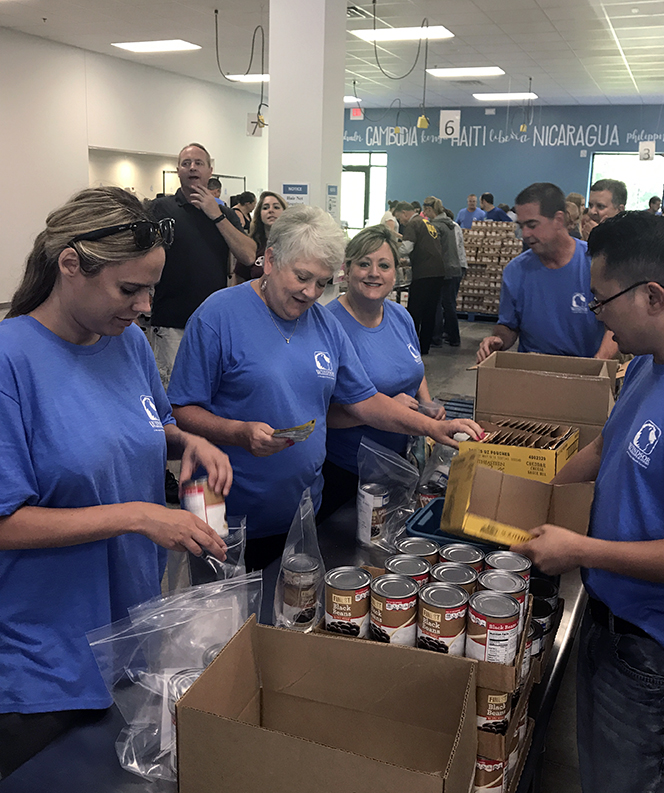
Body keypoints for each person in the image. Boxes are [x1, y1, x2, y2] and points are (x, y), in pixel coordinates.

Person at [0, 187, 231, 778]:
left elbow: (149, 420)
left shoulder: (124, 342)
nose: (146, 306)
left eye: (152, 287)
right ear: (70, 266)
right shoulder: (11, 362)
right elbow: (6, 523)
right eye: (130, 289)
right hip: (46, 658)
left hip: (132, 628)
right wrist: (139, 514)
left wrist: (187, 440)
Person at [512, 212, 664, 793]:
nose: (596, 316)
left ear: (652, 297)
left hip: (660, 647)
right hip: (611, 620)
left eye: (603, 301)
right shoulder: (651, 364)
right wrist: (531, 498)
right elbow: (608, 447)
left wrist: (578, 547)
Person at [168, 206, 482, 570]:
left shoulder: (323, 325)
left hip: (300, 511)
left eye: (322, 282)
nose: (311, 292)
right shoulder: (217, 317)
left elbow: (364, 401)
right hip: (225, 516)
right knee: (224, 620)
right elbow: (181, 411)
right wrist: (238, 433)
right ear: (270, 260)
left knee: (288, 611)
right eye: (302, 277)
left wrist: (433, 427)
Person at [321, 225, 446, 514]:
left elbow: (415, 366)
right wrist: (390, 408)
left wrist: (425, 402)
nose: (374, 273)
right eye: (364, 264)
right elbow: (318, 413)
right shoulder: (328, 325)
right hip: (346, 471)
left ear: (395, 273)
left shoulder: (400, 316)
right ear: (347, 269)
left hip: (399, 463)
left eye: (384, 265)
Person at [148, 143, 254, 388]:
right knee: (171, 390)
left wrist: (214, 213)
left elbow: (248, 255)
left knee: (210, 388)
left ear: (210, 170)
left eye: (199, 163)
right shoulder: (160, 209)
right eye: (186, 163)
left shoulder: (224, 213)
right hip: (170, 320)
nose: (192, 168)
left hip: (213, 322)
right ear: (178, 171)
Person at [476, 182, 617, 363]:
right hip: (532, 374)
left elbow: (615, 323)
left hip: (585, 371)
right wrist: (498, 340)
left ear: (559, 220)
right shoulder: (516, 271)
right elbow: (508, 325)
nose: (525, 234)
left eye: (532, 225)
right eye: (522, 225)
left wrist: (599, 361)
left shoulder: (595, 263)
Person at [393, 201, 446, 355]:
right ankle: (424, 346)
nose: (401, 222)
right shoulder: (426, 222)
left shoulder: (413, 224)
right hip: (438, 271)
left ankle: (411, 347)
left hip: (424, 273)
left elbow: (406, 248)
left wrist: (391, 251)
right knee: (430, 311)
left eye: (400, 218)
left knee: (415, 311)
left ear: (405, 213)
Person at [422, 197, 463, 348]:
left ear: (429, 209)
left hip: (442, 269)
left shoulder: (435, 226)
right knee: (449, 304)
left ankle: (436, 337)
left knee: (437, 304)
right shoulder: (450, 224)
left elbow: (432, 249)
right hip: (454, 268)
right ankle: (453, 337)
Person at [234, 190, 288, 283]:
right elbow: (238, 282)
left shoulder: (295, 245)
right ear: (260, 214)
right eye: (265, 208)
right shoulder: (251, 246)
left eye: (276, 207)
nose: (271, 210)